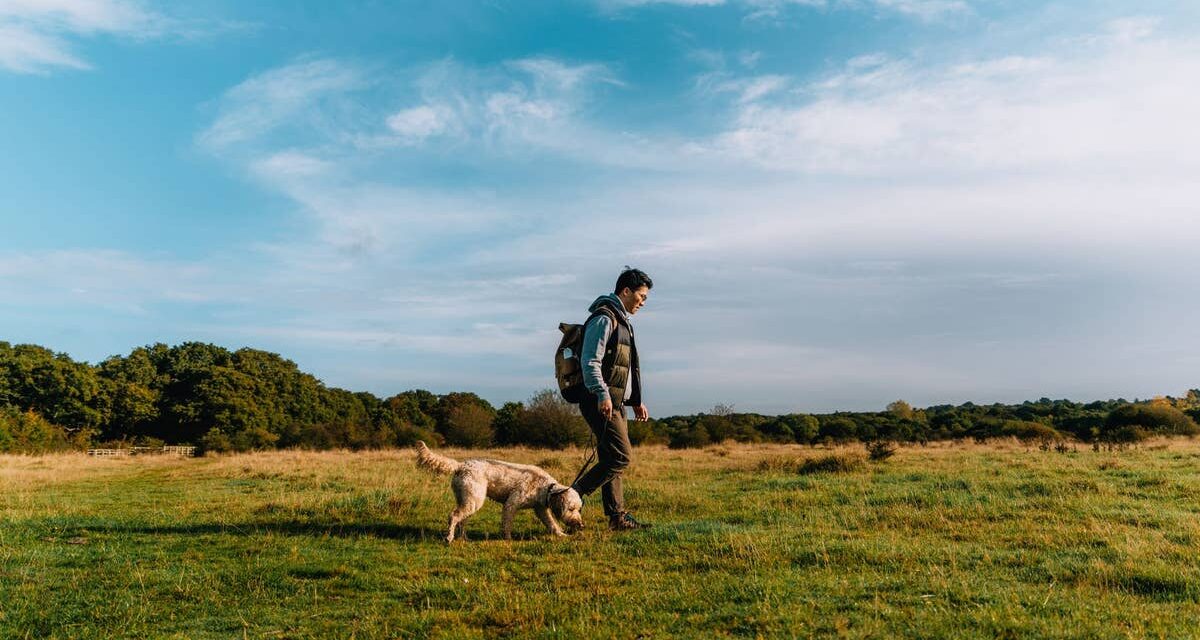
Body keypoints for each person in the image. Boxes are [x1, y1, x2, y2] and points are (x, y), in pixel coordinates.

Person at [570, 267, 653, 531]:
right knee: (620, 457)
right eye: (641, 295)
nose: (643, 302)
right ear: (625, 291)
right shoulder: (604, 318)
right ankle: (569, 496)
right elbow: (590, 361)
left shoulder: (622, 320)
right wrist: (602, 393)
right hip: (600, 400)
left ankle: (617, 517)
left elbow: (626, 368)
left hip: (615, 401)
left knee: (611, 457)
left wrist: (635, 400)